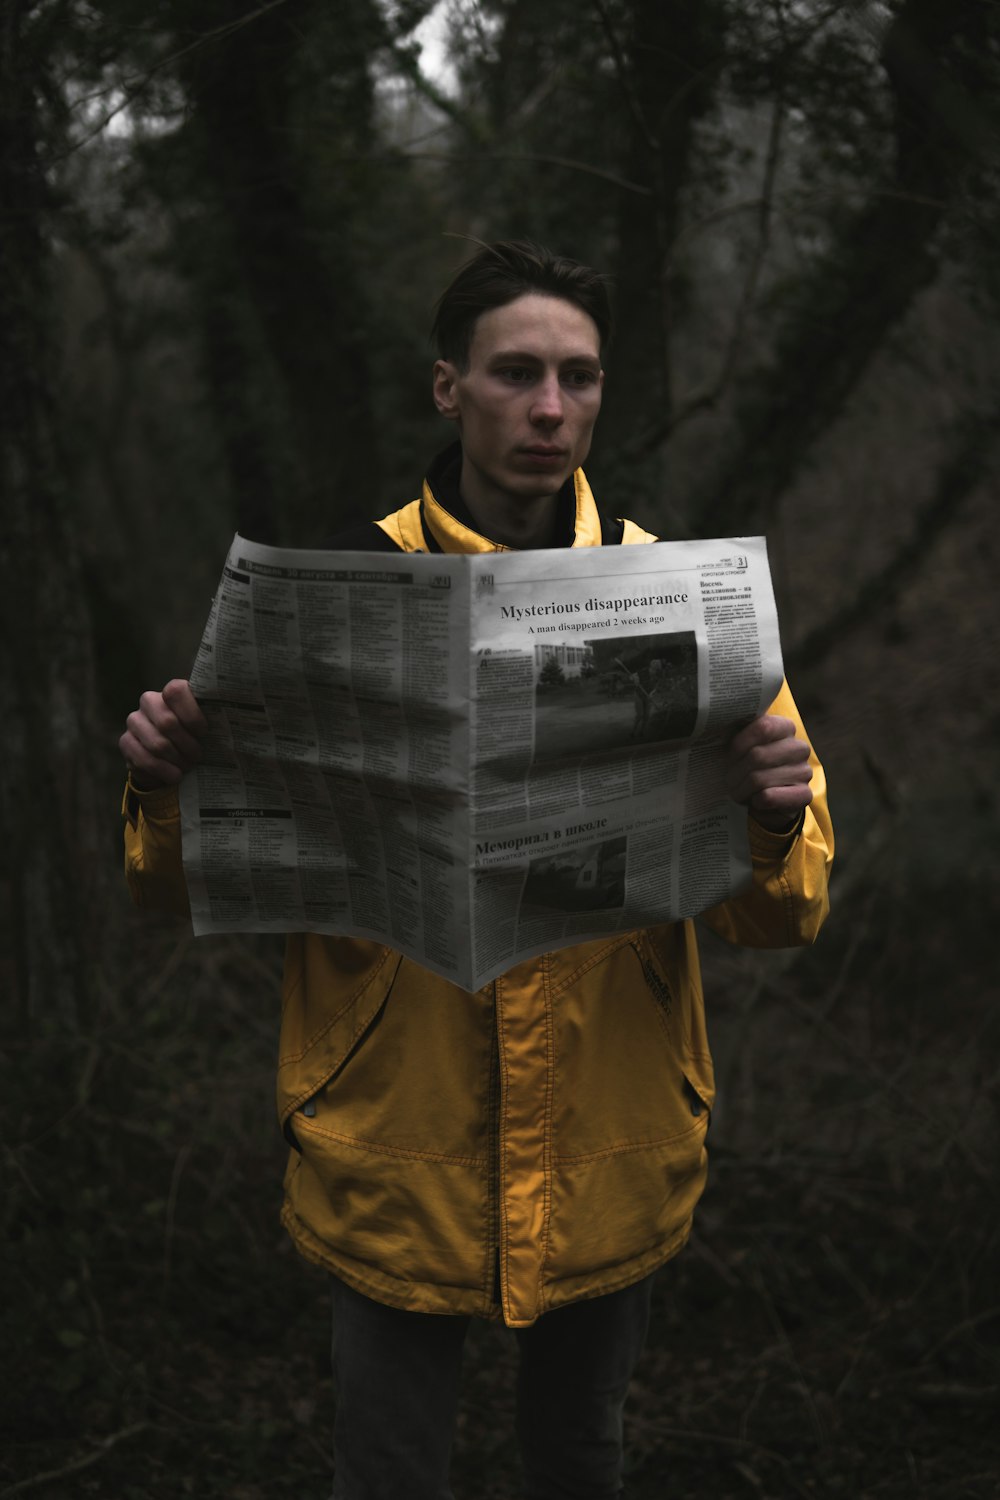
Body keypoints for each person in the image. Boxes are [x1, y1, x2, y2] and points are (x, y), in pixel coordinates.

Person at [119, 240, 833, 1500]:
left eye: (579, 377)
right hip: (392, 1148)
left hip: (614, 1141)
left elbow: (784, 916)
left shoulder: (678, 599)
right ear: (449, 388)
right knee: (386, 1475)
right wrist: (166, 787)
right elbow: (176, 890)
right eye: (516, 373)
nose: (550, 409)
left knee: (580, 1462)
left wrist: (777, 818)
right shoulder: (325, 599)